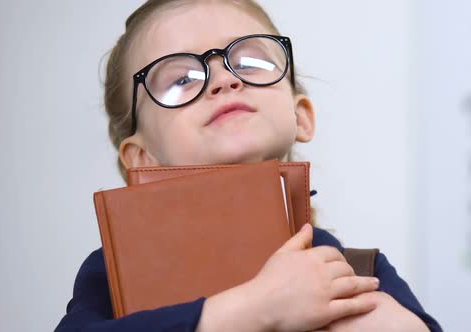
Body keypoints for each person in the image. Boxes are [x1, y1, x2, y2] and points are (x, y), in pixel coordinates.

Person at [55, 0, 442, 331]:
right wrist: (253, 310)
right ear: (142, 159)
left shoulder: (360, 271)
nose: (223, 79)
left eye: (251, 61)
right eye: (182, 79)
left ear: (301, 116)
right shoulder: (116, 273)